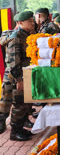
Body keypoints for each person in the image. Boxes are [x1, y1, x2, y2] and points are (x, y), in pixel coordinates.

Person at [0, 11, 35, 141]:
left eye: (32, 20)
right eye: (29, 21)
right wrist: (19, 80)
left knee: (25, 103)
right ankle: (15, 131)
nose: (33, 23)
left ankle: (20, 127)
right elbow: (13, 62)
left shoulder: (27, 34)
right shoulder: (16, 37)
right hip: (16, 76)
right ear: (20, 23)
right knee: (19, 103)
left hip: (24, 73)